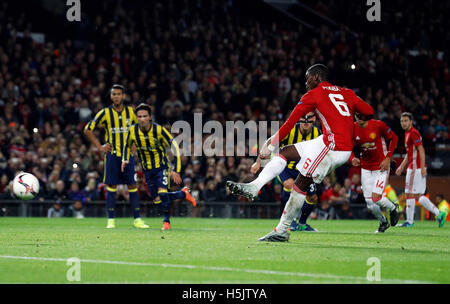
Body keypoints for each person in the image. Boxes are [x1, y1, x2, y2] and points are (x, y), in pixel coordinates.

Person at [227, 63, 374, 241]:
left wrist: (270, 145)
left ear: (316, 78)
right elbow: (368, 111)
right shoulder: (347, 92)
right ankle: (254, 186)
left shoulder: (313, 94)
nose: (306, 83)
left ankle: (282, 230)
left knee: (300, 184)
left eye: (307, 78)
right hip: (328, 141)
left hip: (333, 147)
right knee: (286, 152)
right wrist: (356, 120)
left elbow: (289, 123)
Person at [122, 103, 197, 230]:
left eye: (145, 116)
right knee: (156, 199)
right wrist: (124, 159)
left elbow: (175, 146)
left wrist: (176, 170)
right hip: (147, 169)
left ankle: (166, 222)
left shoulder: (159, 130)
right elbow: (126, 145)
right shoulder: (132, 131)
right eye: (139, 116)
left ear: (150, 117)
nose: (142, 119)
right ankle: (183, 194)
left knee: (162, 193)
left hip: (161, 166)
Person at [84, 84, 149, 229]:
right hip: (112, 155)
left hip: (128, 155)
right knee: (112, 186)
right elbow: (88, 129)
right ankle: (111, 220)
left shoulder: (132, 112)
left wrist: (135, 144)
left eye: (119, 94)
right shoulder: (104, 113)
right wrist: (99, 146)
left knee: (132, 186)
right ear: (111, 96)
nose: (116, 96)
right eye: (114, 94)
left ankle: (137, 219)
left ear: (123, 96)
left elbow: (141, 127)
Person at [250, 112, 321, 231]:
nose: (306, 123)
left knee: (313, 197)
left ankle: (302, 224)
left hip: (304, 169)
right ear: (300, 118)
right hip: (284, 167)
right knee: (289, 184)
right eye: (303, 119)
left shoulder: (318, 133)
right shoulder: (290, 130)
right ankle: (290, 221)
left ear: (314, 119)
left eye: (309, 119)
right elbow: (270, 142)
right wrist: (258, 162)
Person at [395, 112, 446, 227]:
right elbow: (409, 154)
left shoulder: (413, 133)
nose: (404, 123)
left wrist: (422, 167)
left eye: (406, 121)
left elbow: (421, 150)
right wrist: (402, 166)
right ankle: (439, 213)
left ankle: (409, 221)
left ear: (411, 122)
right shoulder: (408, 133)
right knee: (418, 196)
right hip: (414, 167)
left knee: (409, 194)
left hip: (415, 168)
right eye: (402, 121)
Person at [350, 114, 400, 233]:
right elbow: (347, 145)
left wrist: (388, 158)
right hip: (366, 168)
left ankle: (393, 208)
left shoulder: (378, 125)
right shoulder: (352, 127)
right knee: (369, 203)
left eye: (361, 114)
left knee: (376, 198)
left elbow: (394, 138)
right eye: (357, 115)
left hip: (380, 166)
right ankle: (383, 222)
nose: (359, 117)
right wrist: (352, 157)